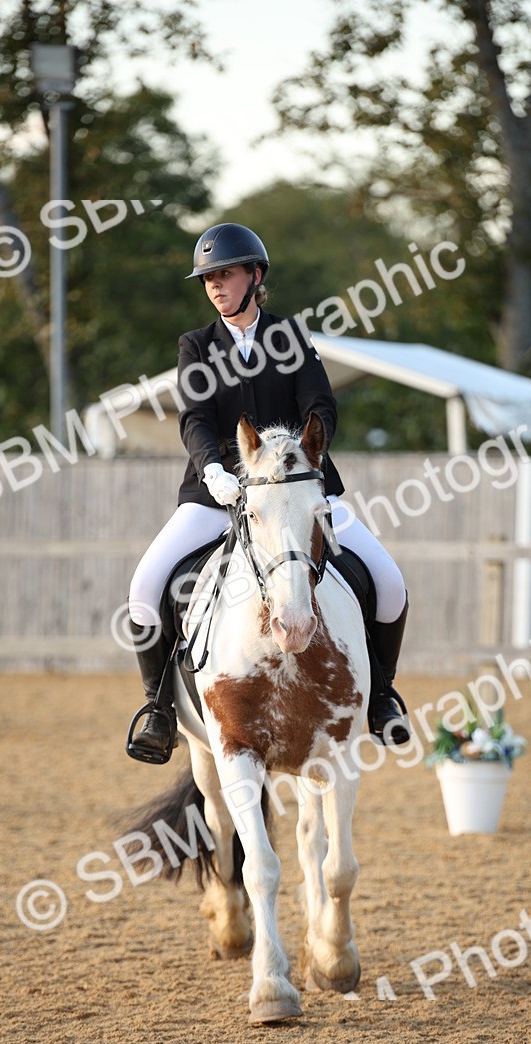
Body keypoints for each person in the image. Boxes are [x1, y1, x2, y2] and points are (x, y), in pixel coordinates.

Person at [126, 222, 410, 764]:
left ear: (255, 277)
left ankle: (381, 698)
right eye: (207, 278)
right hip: (219, 493)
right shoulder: (196, 346)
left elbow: (320, 405)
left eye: (225, 274)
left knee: (390, 583)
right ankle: (158, 709)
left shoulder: (292, 337)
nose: (214, 285)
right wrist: (212, 467)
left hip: (299, 491)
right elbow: (195, 419)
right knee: (145, 587)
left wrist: (311, 453)